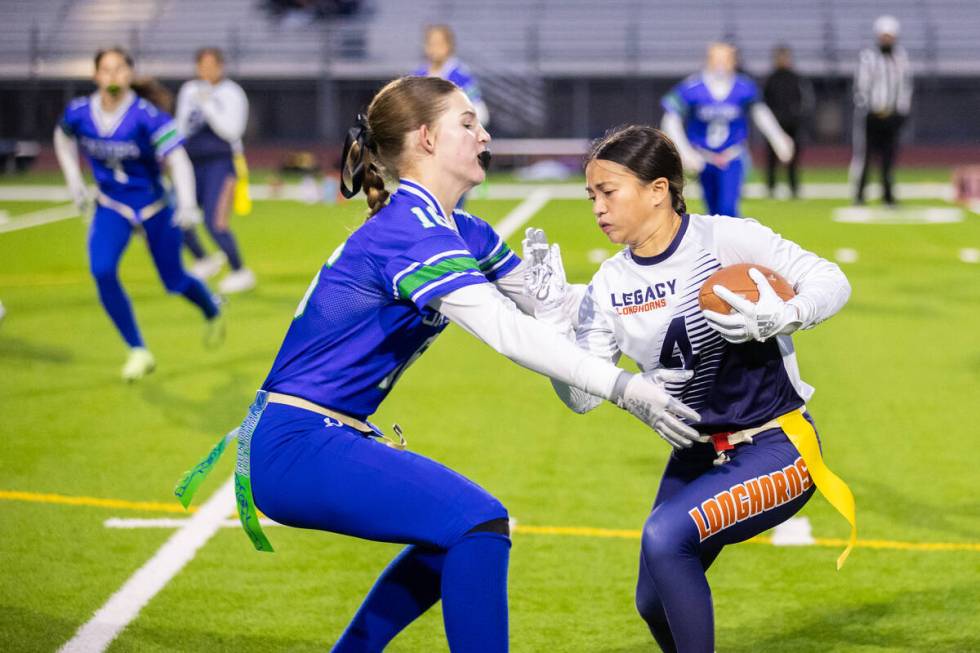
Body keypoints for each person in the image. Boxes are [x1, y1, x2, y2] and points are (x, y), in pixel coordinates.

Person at [175, 77, 700, 652]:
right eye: (468, 123)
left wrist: (674, 293)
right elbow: (504, 330)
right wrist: (625, 386)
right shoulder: (410, 233)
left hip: (315, 435)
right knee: (478, 523)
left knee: (451, 532)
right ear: (426, 138)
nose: (485, 134)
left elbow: (556, 303)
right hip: (294, 444)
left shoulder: (460, 230)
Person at [522, 125, 857, 653]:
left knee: (665, 537)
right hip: (697, 453)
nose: (597, 208)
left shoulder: (724, 239)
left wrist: (783, 316)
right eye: (592, 196)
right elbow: (582, 397)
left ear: (658, 190)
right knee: (652, 603)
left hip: (776, 447)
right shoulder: (609, 284)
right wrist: (550, 331)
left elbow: (833, 281)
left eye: (608, 192)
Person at [55, 47, 223, 382]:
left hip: (153, 206)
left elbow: (177, 159)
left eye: (120, 69)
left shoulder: (147, 115)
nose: (113, 76)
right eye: (106, 69)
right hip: (112, 205)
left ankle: (210, 306)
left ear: (129, 74)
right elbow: (62, 136)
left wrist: (188, 204)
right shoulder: (79, 112)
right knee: (102, 270)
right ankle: (137, 349)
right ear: (95, 75)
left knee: (174, 281)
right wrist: (74, 181)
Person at [661, 43, 795, 217]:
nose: (721, 65)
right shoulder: (692, 87)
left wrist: (778, 138)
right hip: (704, 157)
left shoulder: (743, 87)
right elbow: (670, 119)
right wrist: (685, 152)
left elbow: (760, 113)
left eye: (726, 60)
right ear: (708, 60)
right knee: (712, 210)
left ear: (734, 61)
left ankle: (732, 243)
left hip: (732, 156)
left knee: (727, 209)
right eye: (716, 59)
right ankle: (718, 243)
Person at [175, 47, 256, 292]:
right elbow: (181, 128)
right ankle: (203, 260)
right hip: (190, 163)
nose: (207, 70)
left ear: (221, 66)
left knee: (215, 221)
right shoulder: (189, 90)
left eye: (212, 65)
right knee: (178, 216)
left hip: (220, 164)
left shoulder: (232, 93)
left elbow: (231, 131)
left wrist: (208, 105)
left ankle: (240, 271)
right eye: (202, 65)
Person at [849, 15, 913, 206]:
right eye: (884, 36)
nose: (887, 39)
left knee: (889, 157)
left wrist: (901, 111)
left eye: (890, 36)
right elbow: (861, 86)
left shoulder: (901, 58)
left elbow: (905, 87)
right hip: (872, 115)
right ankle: (860, 194)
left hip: (892, 116)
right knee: (864, 156)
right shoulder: (868, 57)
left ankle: (888, 195)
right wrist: (866, 109)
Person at [413, 24, 489, 126]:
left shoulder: (461, 77)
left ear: (449, 45)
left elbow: (480, 112)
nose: (435, 48)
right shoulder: (418, 76)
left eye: (439, 44)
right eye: (431, 44)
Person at [763, 45, 813, 199]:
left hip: (792, 124)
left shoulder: (796, 78)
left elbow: (803, 100)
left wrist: (797, 117)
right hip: (775, 125)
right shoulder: (771, 79)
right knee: (771, 157)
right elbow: (765, 102)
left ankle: (793, 187)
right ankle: (771, 187)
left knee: (793, 157)